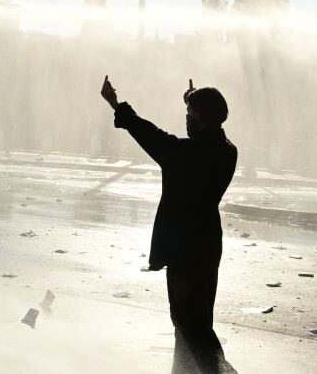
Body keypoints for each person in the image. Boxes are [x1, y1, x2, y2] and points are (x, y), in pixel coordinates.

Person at [100, 76, 237, 374]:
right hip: (208, 244)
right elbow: (201, 135)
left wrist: (115, 105)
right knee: (194, 322)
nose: (186, 121)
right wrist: (193, 100)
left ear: (201, 118)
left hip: (184, 250)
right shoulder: (227, 150)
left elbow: (150, 135)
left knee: (191, 328)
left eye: (190, 116)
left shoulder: (186, 155)